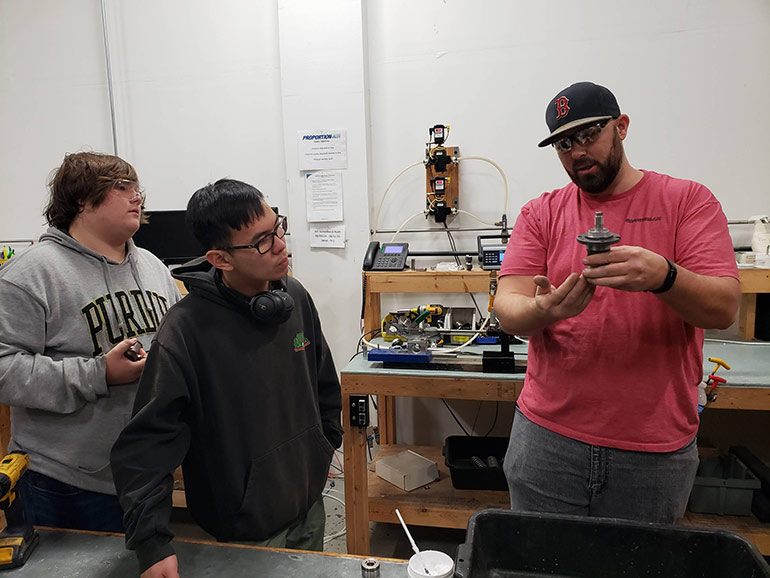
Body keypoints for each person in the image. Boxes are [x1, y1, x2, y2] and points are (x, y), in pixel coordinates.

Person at [494, 81, 740, 524]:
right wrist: (544, 311)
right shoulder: (541, 213)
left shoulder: (688, 202)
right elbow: (508, 306)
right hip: (547, 441)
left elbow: (723, 309)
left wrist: (664, 276)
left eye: (590, 135)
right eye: (564, 143)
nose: (577, 152)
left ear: (621, 127)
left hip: (652, 450)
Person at [110, 179, 343, 577]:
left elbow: (323, 382)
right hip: (245, 527)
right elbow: (147, 445)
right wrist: (151, 542)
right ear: (220, 259)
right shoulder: (185, 332)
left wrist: (322, 446)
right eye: (262, 241)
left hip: (308, 505)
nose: (281, 245)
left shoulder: (294, 298)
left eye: (278, 228)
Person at [0, 151, 181, 532]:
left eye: (138, 187)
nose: (137, 196)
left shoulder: (153, 266)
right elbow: (4, 368)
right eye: (122, 187)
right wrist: (98, 374)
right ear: (81, 199)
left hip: (146, 475)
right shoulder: (30, 274)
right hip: (65, 484)